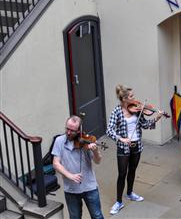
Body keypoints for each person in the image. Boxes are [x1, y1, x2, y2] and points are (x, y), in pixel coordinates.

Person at [106, 85, 163, 215]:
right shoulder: (117, 112)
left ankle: (130, 193)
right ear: (125, 99)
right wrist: (120, 139)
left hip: (137, 145)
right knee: (122, 174)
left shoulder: (137, 110)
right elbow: (109, 130)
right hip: (123, 147)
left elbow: (145, 125)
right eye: (132, 96)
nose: (135, 99)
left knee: (132, 170)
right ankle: (119, 202)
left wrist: (157, 117)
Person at [52, 115, 104, 219]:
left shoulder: (87, 141)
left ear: (79, 130)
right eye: (67, 129)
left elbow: (97, 161)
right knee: (75, 217)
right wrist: (70, 175)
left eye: (72, 130)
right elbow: (56, 163)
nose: (69, 133)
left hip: (89, 186)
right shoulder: (59, 141)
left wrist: (95, 151)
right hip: (71, 189)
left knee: (97, 216)